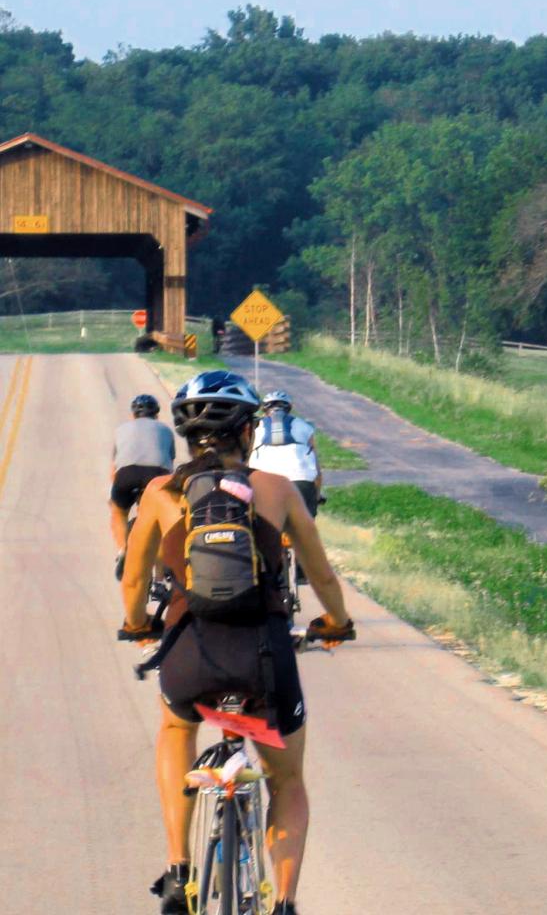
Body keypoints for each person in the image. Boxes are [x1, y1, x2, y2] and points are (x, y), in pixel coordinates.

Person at [120, 370, 355, 915]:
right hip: (264, 660)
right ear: (247, 433)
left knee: (176, 725)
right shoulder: (274, 490)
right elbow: (320, 577)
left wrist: (137, 625)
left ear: (184, 435)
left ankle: (180, 871)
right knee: (288, 780)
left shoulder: (160, 493)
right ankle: (286, 904)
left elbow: (134, 581)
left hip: (189, 657)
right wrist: (337, 623)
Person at [110, 394, 175, 579]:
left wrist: (119, 493)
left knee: (118, 512)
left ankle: (123, 550)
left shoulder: (121, 430)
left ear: (133, 415)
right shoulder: (165, 430)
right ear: (156, 416)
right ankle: (160, 578)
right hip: (156, 476)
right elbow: (169, 463)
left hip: (127, 475)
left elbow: (113, 471)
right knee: (160, 524)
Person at [249, 390, 323, 516]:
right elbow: (316, 468)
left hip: (266, 482)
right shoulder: (305, 426)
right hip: (301, 480)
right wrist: (316, 494)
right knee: (305, 527)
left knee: (261, 524)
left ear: (264, 410)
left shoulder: (256, 427)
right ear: (289, 409)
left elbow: (246, 462)